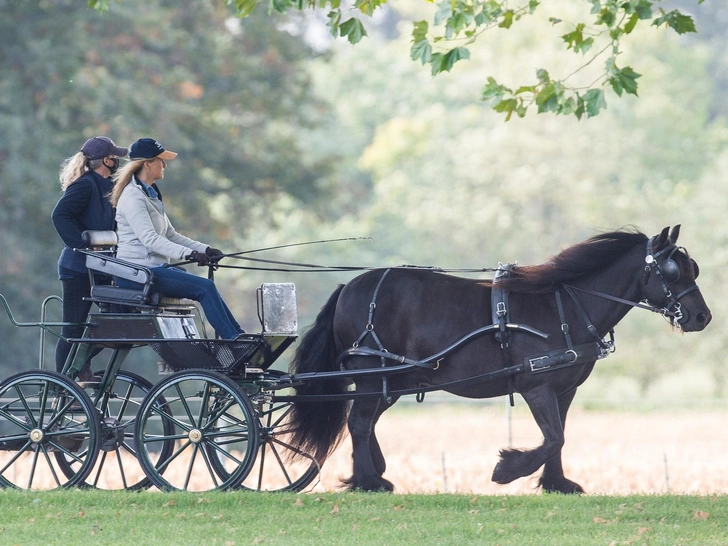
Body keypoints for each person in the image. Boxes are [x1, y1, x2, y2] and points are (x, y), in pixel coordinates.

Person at [110, 138, 244, 339]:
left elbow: (171, 235)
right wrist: (190, 254)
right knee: (204, 288)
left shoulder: (150, 195)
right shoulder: (132, 197)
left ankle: (239, 336)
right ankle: (235, 340)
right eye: (160, 161)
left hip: (152, 269)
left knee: (208, 287)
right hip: (137, 273)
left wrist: (205, 249)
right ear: (147, 164)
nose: (164, 165)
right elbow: (150, 240)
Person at [52, 136, 128, 377]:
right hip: (78, 269)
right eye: (114, 157)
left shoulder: (108, 186)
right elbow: (60, 215)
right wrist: (81, 244)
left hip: (102, 267)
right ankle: (64, 388)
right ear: (105, 160)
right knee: (72, 329)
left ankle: (80, 361)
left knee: (121, 320)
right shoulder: (85, 185)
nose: (117, 161)